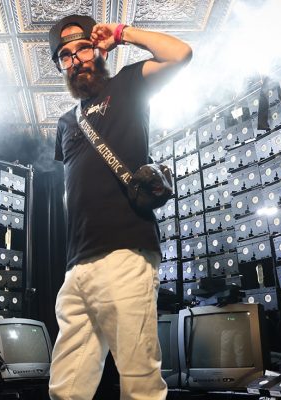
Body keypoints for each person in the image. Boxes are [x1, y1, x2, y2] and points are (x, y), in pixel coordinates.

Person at [48, 14, 192, 400]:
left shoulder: (128, 84)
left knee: (139, 381)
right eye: (65, 56)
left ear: (98, 50)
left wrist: (120, 34)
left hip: (126, 252)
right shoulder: (65, 123)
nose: (76, 60)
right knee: (65, 388)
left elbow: (180, 53)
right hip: (77, 266)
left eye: (83, 49)